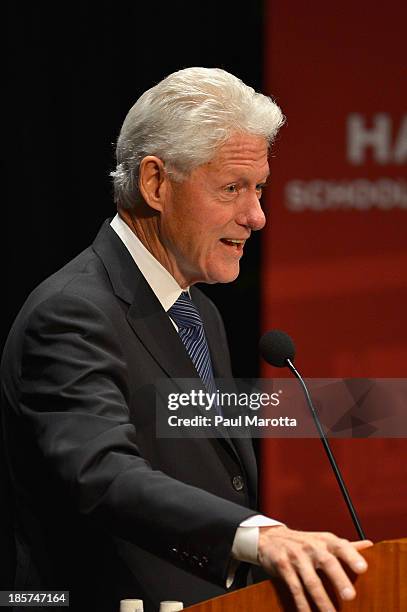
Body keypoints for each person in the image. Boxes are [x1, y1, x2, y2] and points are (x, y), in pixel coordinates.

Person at [1, 67, 372, 612]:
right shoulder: (73, 312)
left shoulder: (202, 315)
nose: (257, 216)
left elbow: (207, 481)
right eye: (232, 188)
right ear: (155, 184)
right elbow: (103, 473)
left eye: (260, 187)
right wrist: (261, 536)